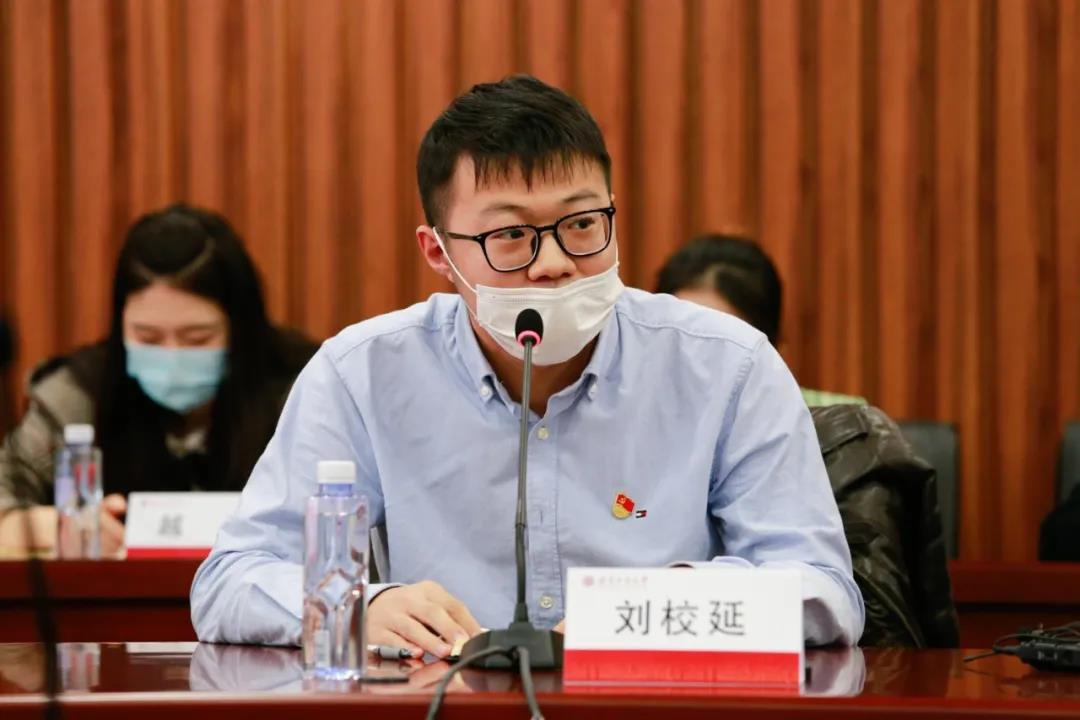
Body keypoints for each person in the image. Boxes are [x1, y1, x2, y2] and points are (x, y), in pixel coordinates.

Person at [191, 75, 864, 654]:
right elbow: (231, 580)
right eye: (511, 234)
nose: (554, 263)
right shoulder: (362, 375)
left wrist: (659, 608)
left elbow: (823, 588)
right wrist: (356, 607)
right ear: (438, 253)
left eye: (582, 224)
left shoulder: (728, 366)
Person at [0, 204, 318, 555]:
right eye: (147, 337)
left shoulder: (306, 386)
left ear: (240, 329)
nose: (172, 355)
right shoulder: (79, 391)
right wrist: (58, 525)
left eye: (197, 339)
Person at [656, 234, 865, 406]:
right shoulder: (640, 420)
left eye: (722, 347)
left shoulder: (845, 428)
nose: (696, 368)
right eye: (682, 342)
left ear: (776, 353)